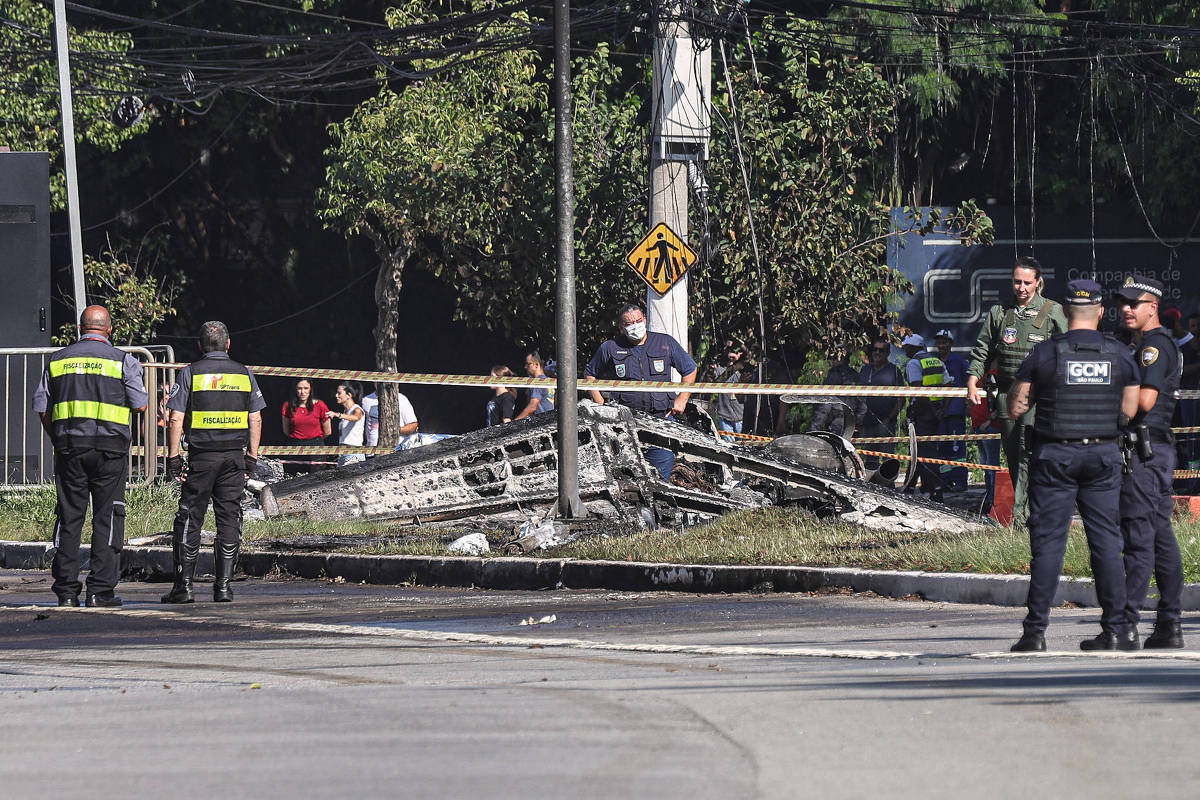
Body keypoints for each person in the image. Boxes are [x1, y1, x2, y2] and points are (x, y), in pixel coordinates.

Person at [1006, 280, 1139, 652]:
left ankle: (1035, 634)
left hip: (1054, 458)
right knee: (1107, 544)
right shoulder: (1120, 355)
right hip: (1102, 457)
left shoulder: (1046, 353)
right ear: (1100, 312)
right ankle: (1114, 630)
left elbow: (1016, 406)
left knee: (1048, 545)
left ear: (1065, 312)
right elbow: (1129, 410)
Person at [31, 305, 147, 607]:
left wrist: (58, 435)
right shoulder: (123, 361)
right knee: (107, 517)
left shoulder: (57, 361)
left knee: (70, 517)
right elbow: (140, 404)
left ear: (81, 327)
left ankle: (67, 592)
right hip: (110, 450)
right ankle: (100, 591)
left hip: (69, 447)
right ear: (109, 329)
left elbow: (42, 406)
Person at [162, 321, 265, 604]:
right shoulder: (244, 374)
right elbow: (255, 418)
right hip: (233, 457)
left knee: (189, 517)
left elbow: (175, 417)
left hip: (201, 457)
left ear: (200, 345)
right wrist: (251, 457)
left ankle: (184, 587)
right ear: (228, 344)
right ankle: (223, 587)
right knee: (229, 516)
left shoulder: (190, 373)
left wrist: (173, 457)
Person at [966, 257, 1068, 527]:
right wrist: (972, 381)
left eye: (1027, 282)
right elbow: (982, 349)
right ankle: (1026, 513)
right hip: (1006, 394)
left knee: (1030, 453)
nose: (1021, 287)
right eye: (1017, 281)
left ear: (1037, 282)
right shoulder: (1000, 312)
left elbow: (1069, 350)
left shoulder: (1053, 311)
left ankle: (1027, 517)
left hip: (1039, 396)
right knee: (1013, 455)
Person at [1114, 276, 1186, 648]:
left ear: (1152, 307)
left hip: (1145, 450)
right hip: (1155, 450)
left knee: (1139, 537)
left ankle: (1124, 626)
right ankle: (1169, 626)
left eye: (1133, 303)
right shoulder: (1153, 345)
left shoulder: (1153, 348)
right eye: (1122, 303)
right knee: (1159, 537)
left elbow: (1144, 402)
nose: (1126, 309)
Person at [585, 302, 697, 480]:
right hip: (625, 424)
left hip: (661, 420)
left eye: (638, 321)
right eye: (629, 324)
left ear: (645, 320)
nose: (635, 326)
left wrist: (682, 399)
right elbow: (590, 375)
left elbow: (690, 369)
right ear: (621, 327)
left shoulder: (664, 342)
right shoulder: (611, 347)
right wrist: (601, 405)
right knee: (627, 478)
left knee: (660, 478)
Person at [901, 334, 948, 502]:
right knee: (921, 450)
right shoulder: (937, 361)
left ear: (915, 348)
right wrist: (942, 409)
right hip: (936, 412)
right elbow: (949, 386)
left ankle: (935, 490)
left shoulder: (914, 363)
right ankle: (911, 486)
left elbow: (919, 392)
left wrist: (932, 411)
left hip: (922, 412)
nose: (905, 350)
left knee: (923, 451)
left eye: (907, 347)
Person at [858, 337, 904, 469]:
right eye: (875, 349)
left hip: (886, 423)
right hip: (867, 422)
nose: (877, 353)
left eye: (881, 350)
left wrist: (890, 418)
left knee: (887, 457)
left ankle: (888, 487)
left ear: (888, 353)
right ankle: (871, 487)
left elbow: (902, 398)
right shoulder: (865, 370)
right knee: (870, 458)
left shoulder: (894, 371)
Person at [933, 329, 969, 491]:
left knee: (957, 447)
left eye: (945, 342)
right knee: (942, 448)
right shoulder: (933, 362)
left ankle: (960, 481)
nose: (941, 345)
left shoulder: (960, 362)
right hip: (939, 413)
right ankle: (945, 481)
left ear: (951, 344)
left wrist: (968, 405)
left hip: (955, 411)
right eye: (939, 342)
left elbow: (970, 384)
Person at [808, 348, 866, 437]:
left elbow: (825, 404)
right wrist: (857, 423)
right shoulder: (855, 375)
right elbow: (862, 404)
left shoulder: (834, 375)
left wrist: (814, 429)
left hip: (836, 422)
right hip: (850, 423)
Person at [969, 363, 1002, 516]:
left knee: (991, 466)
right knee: (985, 465)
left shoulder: (994, 373)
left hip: (989, 426)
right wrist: (974, 423)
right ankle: (988, 497)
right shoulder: (978, 376)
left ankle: (992, 500)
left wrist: (988, 421)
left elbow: (1002, 400)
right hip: (979, 426)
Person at [281, 378, 330, 476]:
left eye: (305, 388)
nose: (302, 392)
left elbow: (328, 431)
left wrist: (314, 440)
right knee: (292, 479)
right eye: (299, 388)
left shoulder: (320, 405)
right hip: (295, 446)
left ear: (310, 389)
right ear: (295, 389)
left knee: (317, 480)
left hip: (316, 447)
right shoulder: (288, 406)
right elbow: (286, 430)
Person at [708, 338, 748, 437]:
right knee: (728, 446)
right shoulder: (719, 369)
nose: (732, 355)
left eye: (736, 352)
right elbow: (716, 381)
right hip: (724, 417)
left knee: (743, 446)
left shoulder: (744, 370)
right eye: (729, 351)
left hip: (741, 417)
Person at [328, 382, 365, 466]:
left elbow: (356, 417)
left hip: (354, 453)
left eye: (339, 393)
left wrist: (338, 415)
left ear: (349, 395)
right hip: (343, 452)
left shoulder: (357, 409)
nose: (336, 396)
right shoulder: (346, 412)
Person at [514, 350, 555, 420]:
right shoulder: (547, 380)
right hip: (549, 422)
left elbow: (532, 406)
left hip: (539, 424)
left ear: (536, 365)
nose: (525, 367)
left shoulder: (538, 382)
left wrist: (514, 423)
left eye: (528, 364)